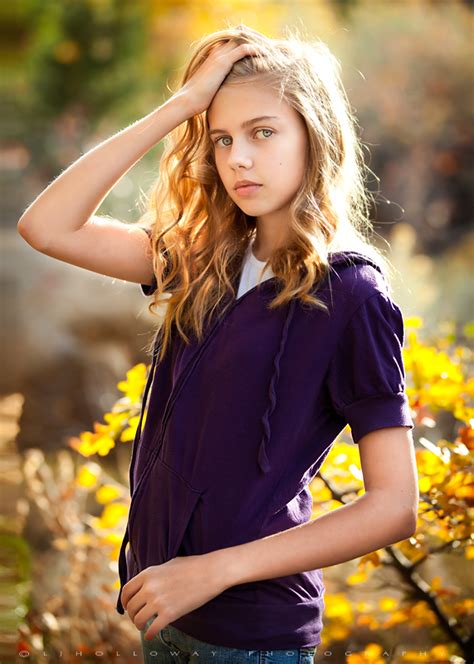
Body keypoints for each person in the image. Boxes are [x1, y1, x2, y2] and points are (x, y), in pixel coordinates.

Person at [18, 23, 419, 664]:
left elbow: (394, 507)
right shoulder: (205, 259)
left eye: (264, 132)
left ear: (315, 138)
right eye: (223, 139)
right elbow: (45, 224)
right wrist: (181, 107)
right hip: (161, 615)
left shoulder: (352, 295)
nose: (238, 158)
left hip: (252, 637)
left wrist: (214, 571)